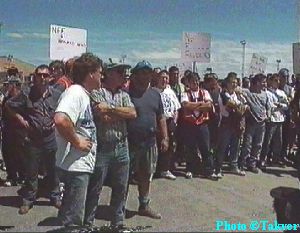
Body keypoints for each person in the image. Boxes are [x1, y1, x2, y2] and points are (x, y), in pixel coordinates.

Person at [84, 61, 136, 228]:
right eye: (119, 72)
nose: (123, 75)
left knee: (121, 187)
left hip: (122, 146)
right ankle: (88, 222)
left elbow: (133, 113)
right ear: (110, 74)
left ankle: (118, 221)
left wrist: (111, 109)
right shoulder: (97, 93)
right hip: (103, 147)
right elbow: (103, 116)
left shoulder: (124, 94)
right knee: (95, 188)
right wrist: (121, 112)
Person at [54, 53, 103, 226]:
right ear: (91, 73)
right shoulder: (75, 92)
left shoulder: (84, 94)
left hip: (81, 166)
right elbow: (61, 119)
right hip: (75, 167)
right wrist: (77, 141)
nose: (101, 76)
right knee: (73, 220)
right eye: (100, 72)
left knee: (77, 217)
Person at [7, 64, 62, 214]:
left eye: (45, 75)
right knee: (31, 171)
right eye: (40, 75)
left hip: (51, 138)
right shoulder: (26, 94)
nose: (42, 78)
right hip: (33, 139)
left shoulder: (57, 94)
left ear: (50, 77)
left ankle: (55, 196)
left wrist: (56, 120)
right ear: (35, 77)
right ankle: (28, 200)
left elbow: (63, 109)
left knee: (53, 170)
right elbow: (9, 105)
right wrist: (21, 120)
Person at [128, 61, 169, 219]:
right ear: (136, 74)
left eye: (148, 72)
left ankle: (144, 205)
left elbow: (161, 117)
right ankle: (118, 208)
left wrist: (165, 137)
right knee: (124, 177)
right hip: (130, 142)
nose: (145, 75)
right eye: (142, 72)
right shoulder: (127, 93)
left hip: (150, 142)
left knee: (146, 176)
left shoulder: (155, 94)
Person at [180, 72, 216, 180]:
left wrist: (194, 106)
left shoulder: (205, 92)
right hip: (190, 124)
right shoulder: (185, 93)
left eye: (196, 80)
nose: (195, 83)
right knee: (190, 148)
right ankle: (190, 169)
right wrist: (201, 105)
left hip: (202, 124)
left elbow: (209, 105)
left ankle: (208, 171)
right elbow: (185, 105)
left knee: (205, 147)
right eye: (192, 81)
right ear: (188, 83)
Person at [215, 72, 247, 177]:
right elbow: (231, 105)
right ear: (227, 83)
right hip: (226, 123)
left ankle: (234, 166)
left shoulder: (237, 95)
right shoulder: (223, 94)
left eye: (236, 83)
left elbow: (245, 106)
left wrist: (240, 105)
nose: (234, 85)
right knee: (222, 147)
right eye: (232, 82)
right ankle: (218, 168)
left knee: (236, 146)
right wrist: (240, 107)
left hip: (236, 123)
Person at [152, 70, 181, 180]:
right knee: (156, 147)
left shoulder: (170, 91)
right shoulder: (153, 91)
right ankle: (154, 169)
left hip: (170, 121)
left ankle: (165, 169)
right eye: (162, 77)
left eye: (166, 78)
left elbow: (176, 108)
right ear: (157, 79)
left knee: (168, 147)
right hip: (157, 122)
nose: (164, 80)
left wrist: (175, 121)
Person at [239, 74, 271, 174]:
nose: (265, 84)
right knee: (247, 144)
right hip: (251, 123)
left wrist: (268, 115)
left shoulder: (265, 94)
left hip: (262, 123)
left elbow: (268, 107)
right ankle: (242, 163)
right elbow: (237, 89)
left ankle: (252, 164)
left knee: (258, 145)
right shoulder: (248, 92)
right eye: (263, 82)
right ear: (257, 82)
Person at [260, 73, 288, 169]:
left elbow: (286, 105)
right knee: (267, 141)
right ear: (271, 81)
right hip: (271, 119)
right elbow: (269, 105)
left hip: (280, 118)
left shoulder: (281, 92)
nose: (277, 82)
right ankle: (263, 159)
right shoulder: (267, 92)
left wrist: (280, 105)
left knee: (278, 141)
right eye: (275, 80)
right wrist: (278, 105)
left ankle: (275, 159)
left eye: (278, 80)